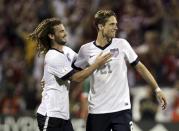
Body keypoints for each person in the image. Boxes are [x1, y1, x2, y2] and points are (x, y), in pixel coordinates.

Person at [73, 10, 167, 131]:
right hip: (97, 111)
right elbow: (76, 77)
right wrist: (95, 65)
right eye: (112, 24)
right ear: (101, 26)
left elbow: (140, 67)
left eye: (116, 24)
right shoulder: (85, 50)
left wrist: (157, 89)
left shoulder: (122, 44)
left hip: (121, 110)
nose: (116, 27)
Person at [28, 18, 111, 131]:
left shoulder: (66, 51)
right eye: (61, 31)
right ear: (51, 36)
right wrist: (97, 64)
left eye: (64, 30)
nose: (65, 33)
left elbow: (83, 63)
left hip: (63, 117)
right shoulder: (53, 56)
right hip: (50, 115)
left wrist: (105, 53)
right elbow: (77, 77)